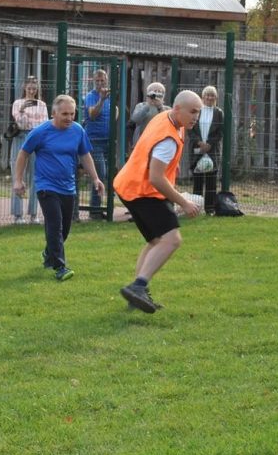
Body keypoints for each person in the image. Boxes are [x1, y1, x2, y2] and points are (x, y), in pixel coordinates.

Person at [113, 90, 203, 313]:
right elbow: (156, 178)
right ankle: (138, 286)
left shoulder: (166, 117)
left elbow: (151, 151)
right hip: (143, 191)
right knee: (172, 240)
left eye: (198, 113)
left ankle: (136, 295)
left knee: (156, 241)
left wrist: (173, 163)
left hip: (128, 184)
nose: (196, 117)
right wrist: (183, 202)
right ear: (177, 109)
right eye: (192, 112)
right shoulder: (168, 139)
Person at [13, 94, 104, 281]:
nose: (69, 118)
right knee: (55, 225)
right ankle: (60, 267)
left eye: (72, 114)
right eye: (64, 114)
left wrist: (96, 178)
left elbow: (85, 155)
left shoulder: (78, 130)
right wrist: (18, 180)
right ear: (54, 113)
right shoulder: (40, 132)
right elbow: (23, 154)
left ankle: (49, 254)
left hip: (68, 187)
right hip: (46, 186)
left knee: (64, 230)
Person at [10, 75, 48, 224]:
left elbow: (44, 123)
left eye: (34, 88)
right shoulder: (18, 103)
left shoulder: (42, 104)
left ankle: (33, 214)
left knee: (35, 176)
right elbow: (20, 122)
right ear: (24, 87)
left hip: (36, 139)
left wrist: (29, 120)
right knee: (18, 175)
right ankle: (18, 214)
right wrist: (22, 110)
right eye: (29, 88)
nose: (32, 91)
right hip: (21, 137)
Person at [188, 85, 224, 215]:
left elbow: (220, 132)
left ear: (216, 97)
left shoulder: (219, 113)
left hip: (212, 150)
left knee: (211, 181)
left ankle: (210, 209)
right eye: (207, 95)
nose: (209, 97)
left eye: (212, 95)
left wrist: (209, 144)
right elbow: (190, 129)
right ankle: (196, 208)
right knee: (197, 180)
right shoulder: (197, 110)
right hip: (197, 149)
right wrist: (199, 143)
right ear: (202, 97)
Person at [82, 68, 111, 219]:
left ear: (107, 80)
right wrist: (102, 100)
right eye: (97, 81)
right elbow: (92, 114)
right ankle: (94, 210)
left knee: (106, 174)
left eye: (102, 80)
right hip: (94, 141)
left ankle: (99, 208)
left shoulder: (110, 97)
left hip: (108, 141)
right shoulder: (91, 96)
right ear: (93, 81)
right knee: (100, 174)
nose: (100, 83)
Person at [130, 81, 170, 147]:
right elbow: (135, 119)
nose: (156, 94)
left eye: (159, 92)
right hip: (142, 142)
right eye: (154, 91)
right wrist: (148, 105)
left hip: (160, 143)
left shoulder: (167, 109)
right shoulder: (141, 106)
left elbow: (167, 123)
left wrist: (160, 107)